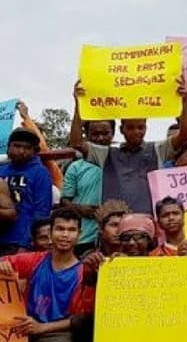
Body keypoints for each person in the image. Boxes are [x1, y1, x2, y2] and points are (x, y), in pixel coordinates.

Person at [68, 79, 187, 214]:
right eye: (131, 128)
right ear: (122, 129)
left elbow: (185, 134)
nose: (136, 132)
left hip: (148, 221)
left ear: (146, 128)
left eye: (141, 127)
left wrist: (184, 102)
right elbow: (76, 142)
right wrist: (79, 106)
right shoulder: (106, 154)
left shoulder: (158, 149)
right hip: (115, 224)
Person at [0, 209, 87, 342]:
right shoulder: (36, 260)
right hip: (23, 325)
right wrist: (2, 264)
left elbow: (78, 319)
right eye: (60, 229)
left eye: (71, 230)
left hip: (56, 332)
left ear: (79, 235)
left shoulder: (83, 273)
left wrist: (41, 327)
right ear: (50, 233)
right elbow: (5, 261)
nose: (65, 234)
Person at [61, 119, 115, 255]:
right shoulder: (75, 167)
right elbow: (64, 200)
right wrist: (79, 208)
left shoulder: (122, 161)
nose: (100, 138)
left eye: (105, 133)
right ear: (86, 135)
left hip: (115, 239)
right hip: (83, 238)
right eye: (95, 134)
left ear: (113, 133)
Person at [1, 128, 52, 255]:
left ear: (34, 151)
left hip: (19, 242)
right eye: (17, 146)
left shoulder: (40, 173)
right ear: (8, 147)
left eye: (27, 148)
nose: (21, 151)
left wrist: (25, 243)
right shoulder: (2, 171)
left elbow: (42, 211)